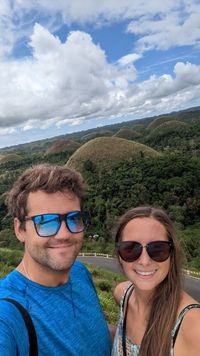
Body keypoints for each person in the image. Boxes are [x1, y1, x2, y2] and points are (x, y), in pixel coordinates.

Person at [0, 164, 112, 355]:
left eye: (73, 218)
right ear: (20, 229)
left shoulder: (79, 272)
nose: (63, 235)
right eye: (45, 222)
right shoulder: (7, 313)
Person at [112, 206, 200, 356]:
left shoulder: (193, 324)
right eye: (131, 249)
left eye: (158, 249)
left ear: (172, 254)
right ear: (119, 255)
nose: (145, 261)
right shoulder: (122, 295)